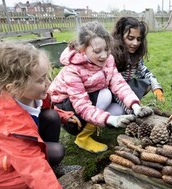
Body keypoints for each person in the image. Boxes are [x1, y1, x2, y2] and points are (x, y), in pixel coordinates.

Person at [48, 21, 152, 153]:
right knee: (105, 95)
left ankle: (95, 125)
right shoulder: (72, 70)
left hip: (87, 102)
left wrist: (135, 106)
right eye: (97, 51)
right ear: (82, 49)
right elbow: (82, 105)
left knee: (117, 110)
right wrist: (110, 120)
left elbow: (119, 84)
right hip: (66, 112)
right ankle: (82, 137)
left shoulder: (108, 59)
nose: (104, 55)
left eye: (106, 49)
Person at [0, 42, 69, 189]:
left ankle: (52, 170)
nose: (47, 83)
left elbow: (45, 108)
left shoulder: (30, 96)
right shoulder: (10, 126)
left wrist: (64, 115)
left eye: (47, 75)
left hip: (23, 149)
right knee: (36, 180)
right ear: (14, 87)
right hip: (3, 175)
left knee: (52, 116)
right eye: (40, 80)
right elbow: (35, 168)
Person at [111, 16, 164, 114]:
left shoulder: (135, 56)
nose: (135, 43)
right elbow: (116, 87)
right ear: (120, 36)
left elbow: (145, 72)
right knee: (118, 112)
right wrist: (132, 109)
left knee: (148, 83)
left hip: (126, 88)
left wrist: (156, 87)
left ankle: (130, 104)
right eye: (130, 38)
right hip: (111, 93)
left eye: (139, 39)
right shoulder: (111, 57)